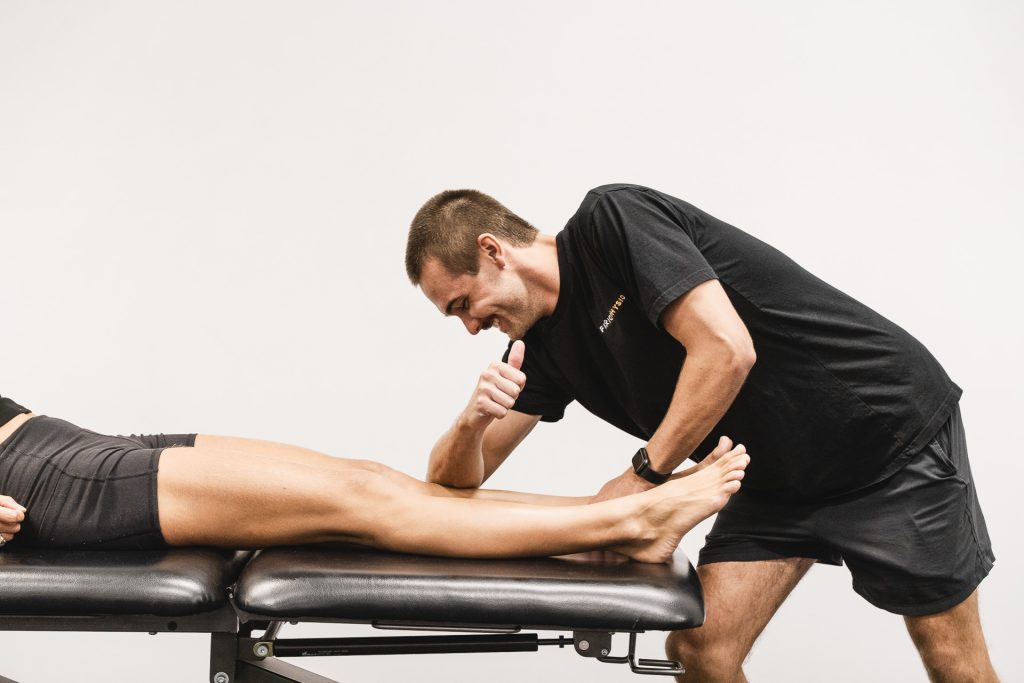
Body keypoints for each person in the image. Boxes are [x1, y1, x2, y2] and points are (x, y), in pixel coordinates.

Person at [406, 183, 998, 682]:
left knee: (955, 666)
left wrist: (642, 479)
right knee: (702, 651)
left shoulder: (612, 222)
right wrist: (470, 422)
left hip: (883, 438)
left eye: (462, 303)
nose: (470, 327)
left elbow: (726, 348)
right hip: (771, 478)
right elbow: (450, 484)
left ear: (492, 250)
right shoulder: (537, 346)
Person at [0, 394, 748, 563]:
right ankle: (627, 523)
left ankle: (599, 529)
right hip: (47, 481)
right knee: (362, 500)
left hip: (59, 440)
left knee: (368, 478)